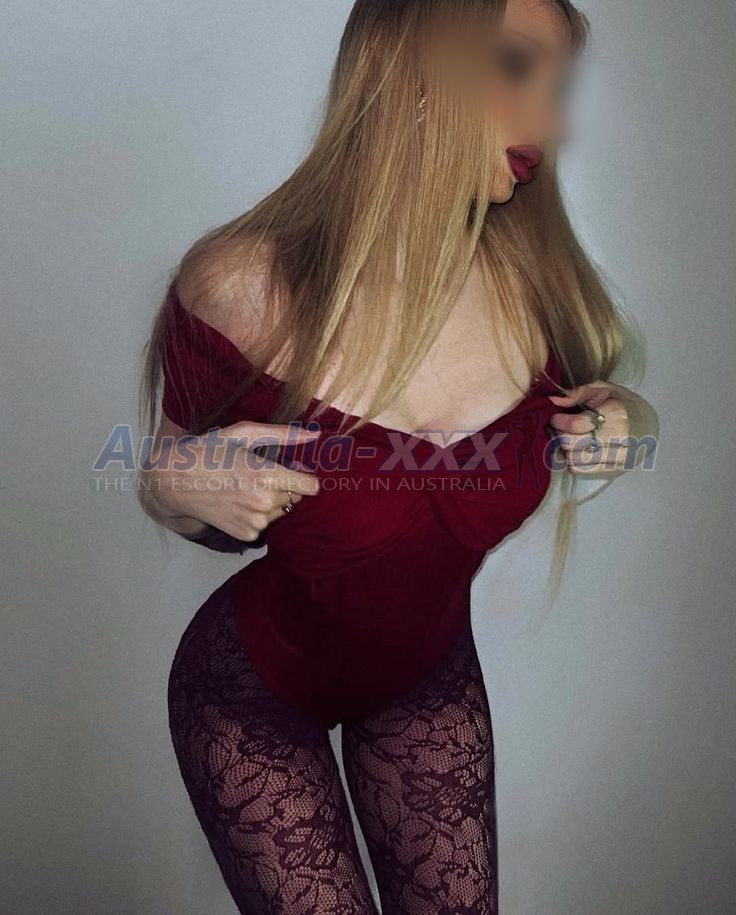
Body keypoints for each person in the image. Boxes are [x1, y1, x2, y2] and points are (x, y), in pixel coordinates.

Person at [138, 1, 658, 911]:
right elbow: (162, 475)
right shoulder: (241, 287)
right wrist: (175, 480)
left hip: (426, 681)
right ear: (410, 64)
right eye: (516, 66)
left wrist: (634, 422)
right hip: (250, 696)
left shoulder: (536, 293)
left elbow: (610, 401)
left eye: (557, 87)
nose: (550, 121)